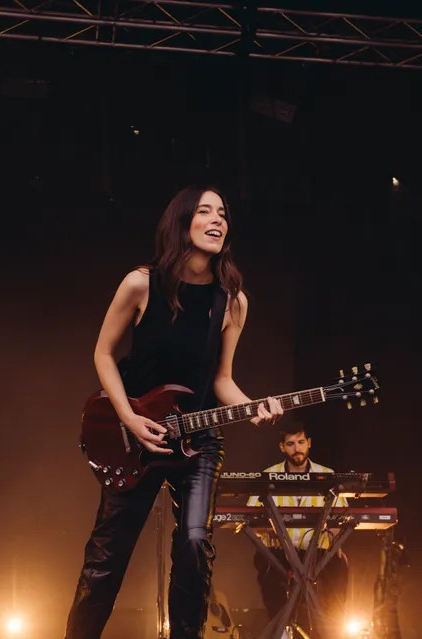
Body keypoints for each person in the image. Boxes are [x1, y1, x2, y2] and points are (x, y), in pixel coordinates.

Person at [64, 186, 284, 639]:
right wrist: (129, 418)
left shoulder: (232, 301)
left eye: (223, 213)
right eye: (205, 211)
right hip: (136, 436)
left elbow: (221, 379)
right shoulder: (140, 283)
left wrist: (253, 408)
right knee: (107, 556)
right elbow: (103, 353)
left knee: (195, 544)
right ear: (182, 222)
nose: (217, 220)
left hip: (199, 438)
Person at [247, 424, 351, 636]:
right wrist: (269, 532)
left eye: (301, 442)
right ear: (282, 447)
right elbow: (251, 518)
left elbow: (341, 519)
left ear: (309, 443)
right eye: (291, 444)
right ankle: (281, 629)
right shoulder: (268, 475)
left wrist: (331, 543)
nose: (297, 449)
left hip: (317, 554)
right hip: (279, 553)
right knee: (265, 563)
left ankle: (329, 631)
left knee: (339, 564)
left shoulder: (327, 475)